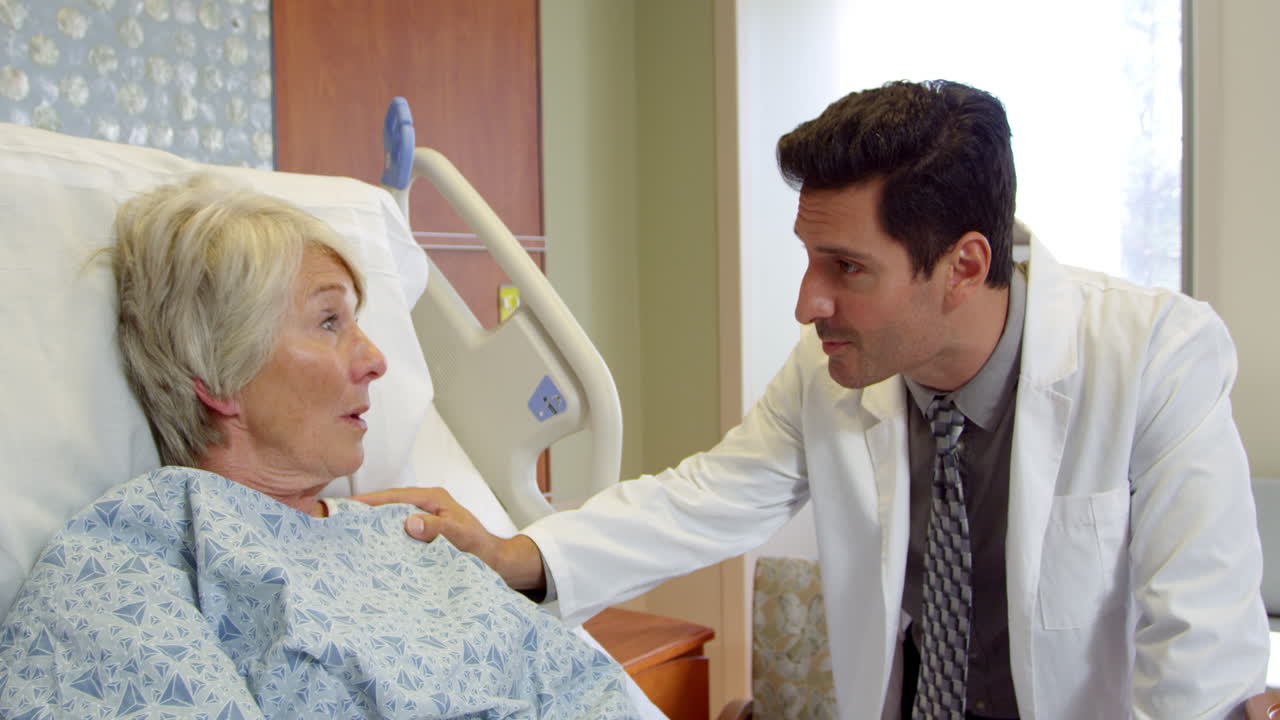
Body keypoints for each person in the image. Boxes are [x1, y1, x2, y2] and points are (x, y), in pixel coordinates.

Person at [360, 80, 1270, 719]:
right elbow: (705, 497)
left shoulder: (1155, 358)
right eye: (808, 259)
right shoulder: (833, 373)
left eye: (847, 268)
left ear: (964, 266)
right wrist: (518, 554)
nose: (807, 303)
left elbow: (1197, 653)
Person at [0, 175, 640, 719]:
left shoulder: (412, 535)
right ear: (219, 375)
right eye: (329, 321)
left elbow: (584, 688)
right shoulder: (136, 555)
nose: (376, 359)